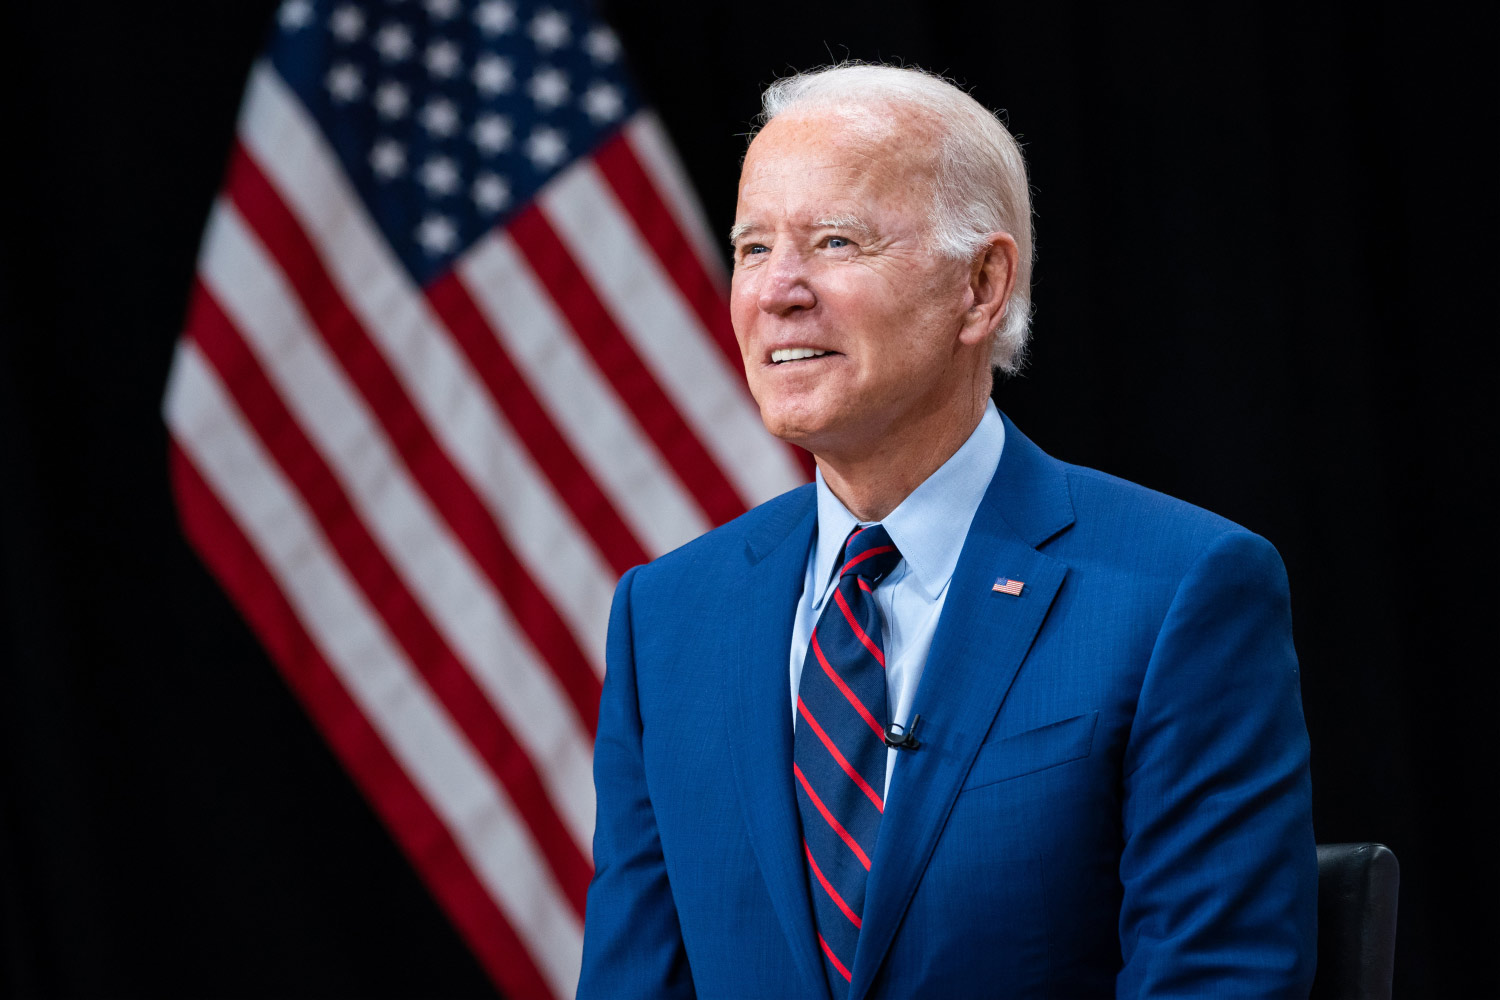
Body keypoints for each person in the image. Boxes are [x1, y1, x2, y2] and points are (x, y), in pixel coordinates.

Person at [577, 63, 1316, 999]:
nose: (778, 292)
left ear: (981, 285)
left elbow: (1214, 983)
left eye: (835, 241)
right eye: (754, 247)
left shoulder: (1182, 594)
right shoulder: (667, 617)